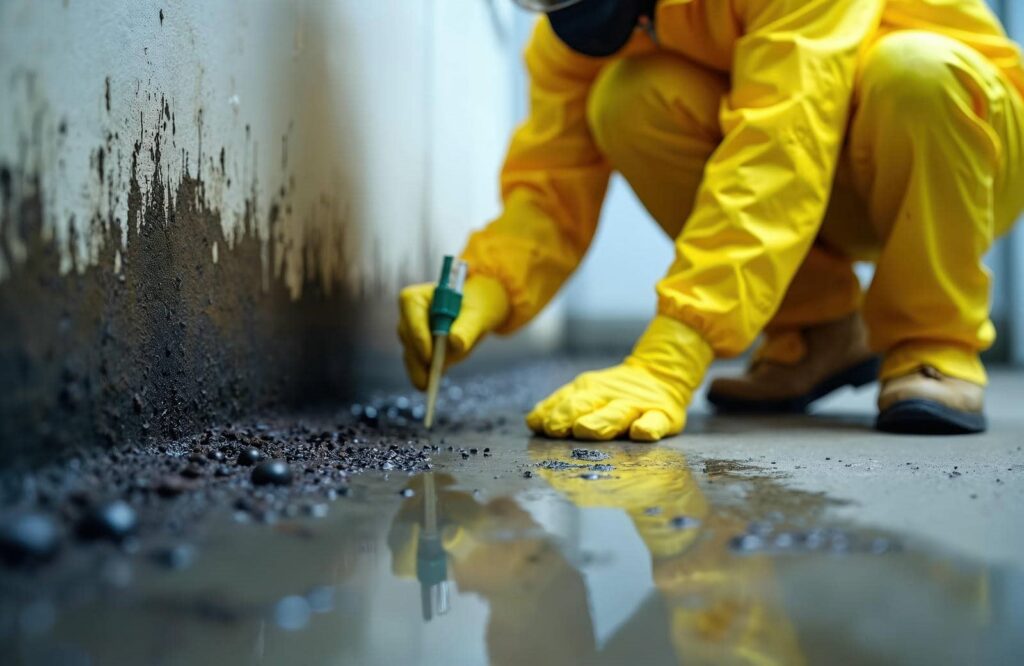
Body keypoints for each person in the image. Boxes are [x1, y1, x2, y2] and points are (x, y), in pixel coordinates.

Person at [398, 0, 1024, 441]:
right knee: (626, 100)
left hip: (962, 147)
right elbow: (551, 184)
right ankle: (817, 333)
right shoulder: (585, 30)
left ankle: (933, 342)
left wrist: (676, 348)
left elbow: (781, 145)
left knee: (914, 72)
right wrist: (486, 285)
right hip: (826, 174)